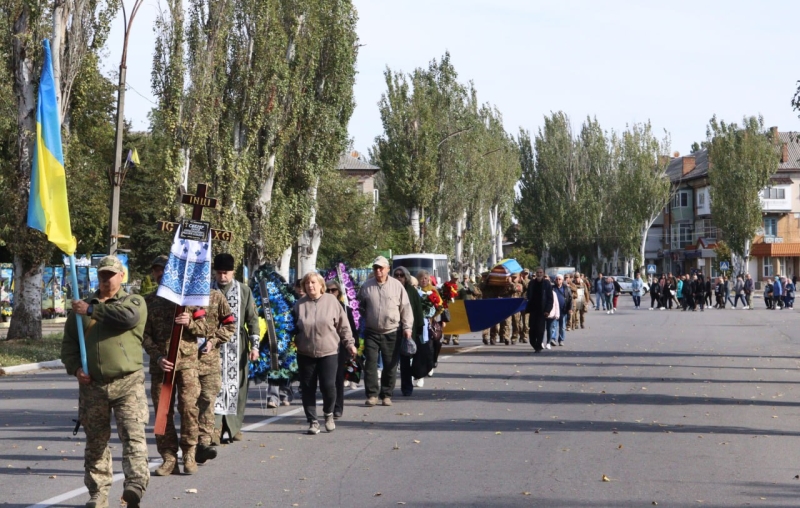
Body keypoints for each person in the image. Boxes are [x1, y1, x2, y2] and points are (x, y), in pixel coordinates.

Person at [60, 255, 149, 508]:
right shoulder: (81, 308)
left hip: (127, 383)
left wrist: (91, 310)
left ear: (122, 276)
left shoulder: (133, 301)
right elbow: (68, 346)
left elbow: (127, 318)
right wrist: (76, 369)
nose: (106, 279)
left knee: (132, 436)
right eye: (102, 274)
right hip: (93, 387)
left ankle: (134, 486)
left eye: (111, 274)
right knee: (96, 442)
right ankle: (98, 493)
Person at [142, 255, 228, 476]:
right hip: (162, 366)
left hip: (188, 364)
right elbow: (144, 335)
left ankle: (189, 453)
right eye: (157, 270)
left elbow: (204, 329)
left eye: (164, 270)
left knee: (189, 409)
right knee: (163, 413)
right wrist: (157, 357)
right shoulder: (149, 302)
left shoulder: (190, 300)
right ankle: (169, 457)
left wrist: (189, 322)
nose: (160, 274)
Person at [294, 272, 357, 434]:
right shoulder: (299, 305)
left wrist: (349, 344)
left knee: (328, 386)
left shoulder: (331, 301)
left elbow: (343, 325)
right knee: (307, 388)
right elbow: (291, 328)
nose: (310, 286)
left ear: (321, 285)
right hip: (305, 353)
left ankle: (328, 414)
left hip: (329, 352)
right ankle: (312, 421)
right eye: (307, 283)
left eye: (313, 282)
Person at [211, 254, 261, 444]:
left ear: (233, 272)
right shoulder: (207, 290)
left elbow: (253, 319)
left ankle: (233, 427)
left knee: (237, 387)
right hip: (212, 345)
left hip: (237, 345)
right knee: (213, 386)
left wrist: (255, 346)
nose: (222, 276)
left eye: (226, 273)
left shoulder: (243, 291)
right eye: (219, 273)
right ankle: (215, 428)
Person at [357, 256, 413, 407]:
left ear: (388, 269)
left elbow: (406, 308)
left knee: (390, 365)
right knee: (370, 364)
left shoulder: (397, 286)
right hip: (371, 332)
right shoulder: (366, 286)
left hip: (392, 331)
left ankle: (386, 394)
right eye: (376, 268)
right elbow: (359, 308)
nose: (378, 271)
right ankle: (372, 395)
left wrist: (407, 327)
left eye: (381, 268)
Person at [326, 280, 359, 417]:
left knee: (338, 377)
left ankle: (337, 406)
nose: (330, 293)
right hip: (324, 347)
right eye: (327, 290)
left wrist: (352, 346)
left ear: (338, 292)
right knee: (327, 380)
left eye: (333, 290)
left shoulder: (345, 309)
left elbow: (352, 331)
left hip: (340, 348)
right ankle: (329, 405)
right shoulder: (321, 307)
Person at [392, 267, 426, 396]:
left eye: (401, 275)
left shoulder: (412, 292)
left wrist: (418, 331)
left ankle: (407, 387)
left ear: (406, 277)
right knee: (390, 361)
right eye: (396, 275)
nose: (399, 277)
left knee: (405, 361)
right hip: (392, 330)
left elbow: (418, 312)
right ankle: (387, 388)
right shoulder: (390, 290)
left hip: (408, 331)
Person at [526, 267, 554, 353]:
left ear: (543, 273)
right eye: (537, 272)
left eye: (540, 272)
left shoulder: (547, 284)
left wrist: (547, 310)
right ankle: (533, 343)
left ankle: (538, 346)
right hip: (533, 310)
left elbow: (550, 298)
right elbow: (528, 295)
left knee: (540, 330)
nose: (539, 274)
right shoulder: (531, 283)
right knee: (532, 329)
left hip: (542, 311)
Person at [549, 274, 571, 347]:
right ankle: (553, 339)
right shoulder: (552, 288)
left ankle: (561, 340)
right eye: (557, 279)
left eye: (559, 279)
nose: (558, 280)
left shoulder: (566, 288)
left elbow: (570, 299)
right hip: (554, 311)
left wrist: (570, 308)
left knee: (562, 326)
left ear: (562, 280)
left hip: (563, 310)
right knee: (553, 326)